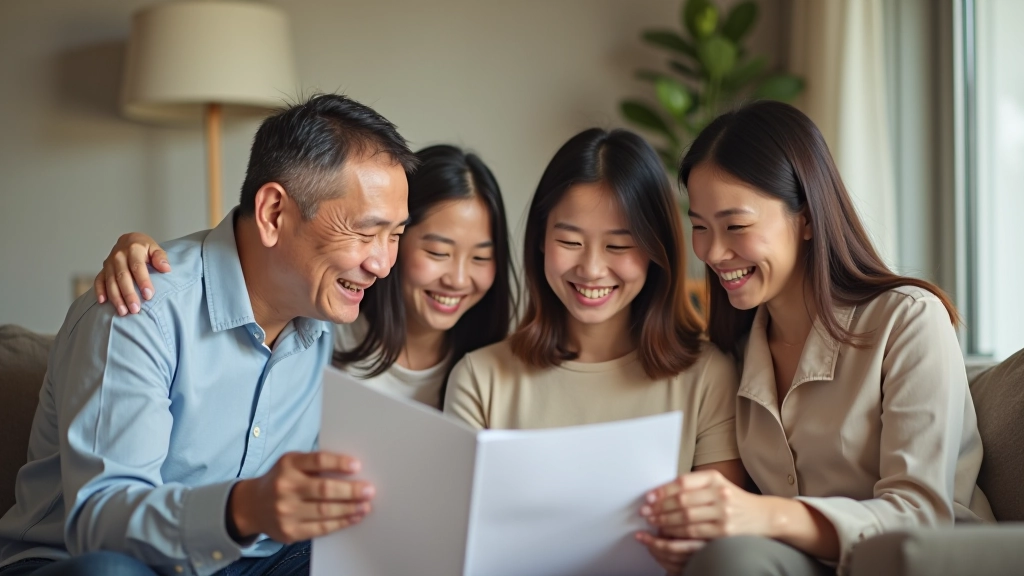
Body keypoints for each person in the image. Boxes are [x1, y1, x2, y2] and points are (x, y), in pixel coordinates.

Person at [0, 94, 417, 576]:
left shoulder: (335, 313)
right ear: (274, 212)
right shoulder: (139, 309)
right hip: (91, 562)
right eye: (367, 233)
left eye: (396, 235)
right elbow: (100, 525)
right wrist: (243, 508)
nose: (382, 264)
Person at [637, 100, 994, 576]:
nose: (712, 251)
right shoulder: (735, 354)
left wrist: (762, 516)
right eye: (699, 226)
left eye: (735, 226)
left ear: (805, 217)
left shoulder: (908, 320)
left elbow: (922, 514)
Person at [441, 128, 745, 574]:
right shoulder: (480, 378)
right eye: (569, 242)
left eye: (619, 245)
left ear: (655, 250)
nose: (592, 269)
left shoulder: (707, 377)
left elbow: (715, 543)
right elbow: (455, 541)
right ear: (541, 240)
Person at [92, 145, 517, 409]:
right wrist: (140, 248)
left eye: (482, 257)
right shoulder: (323, 321)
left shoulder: (495, 366)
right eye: (438, 252)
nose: (458, 278)